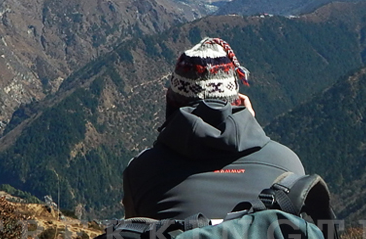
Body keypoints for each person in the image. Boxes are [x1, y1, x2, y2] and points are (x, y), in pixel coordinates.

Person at [122, 37, 305, 220]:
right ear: (238, 103)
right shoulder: (287, 165)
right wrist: (247, 125)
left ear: (170, 102)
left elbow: (137, 234)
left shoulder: (141, 171)